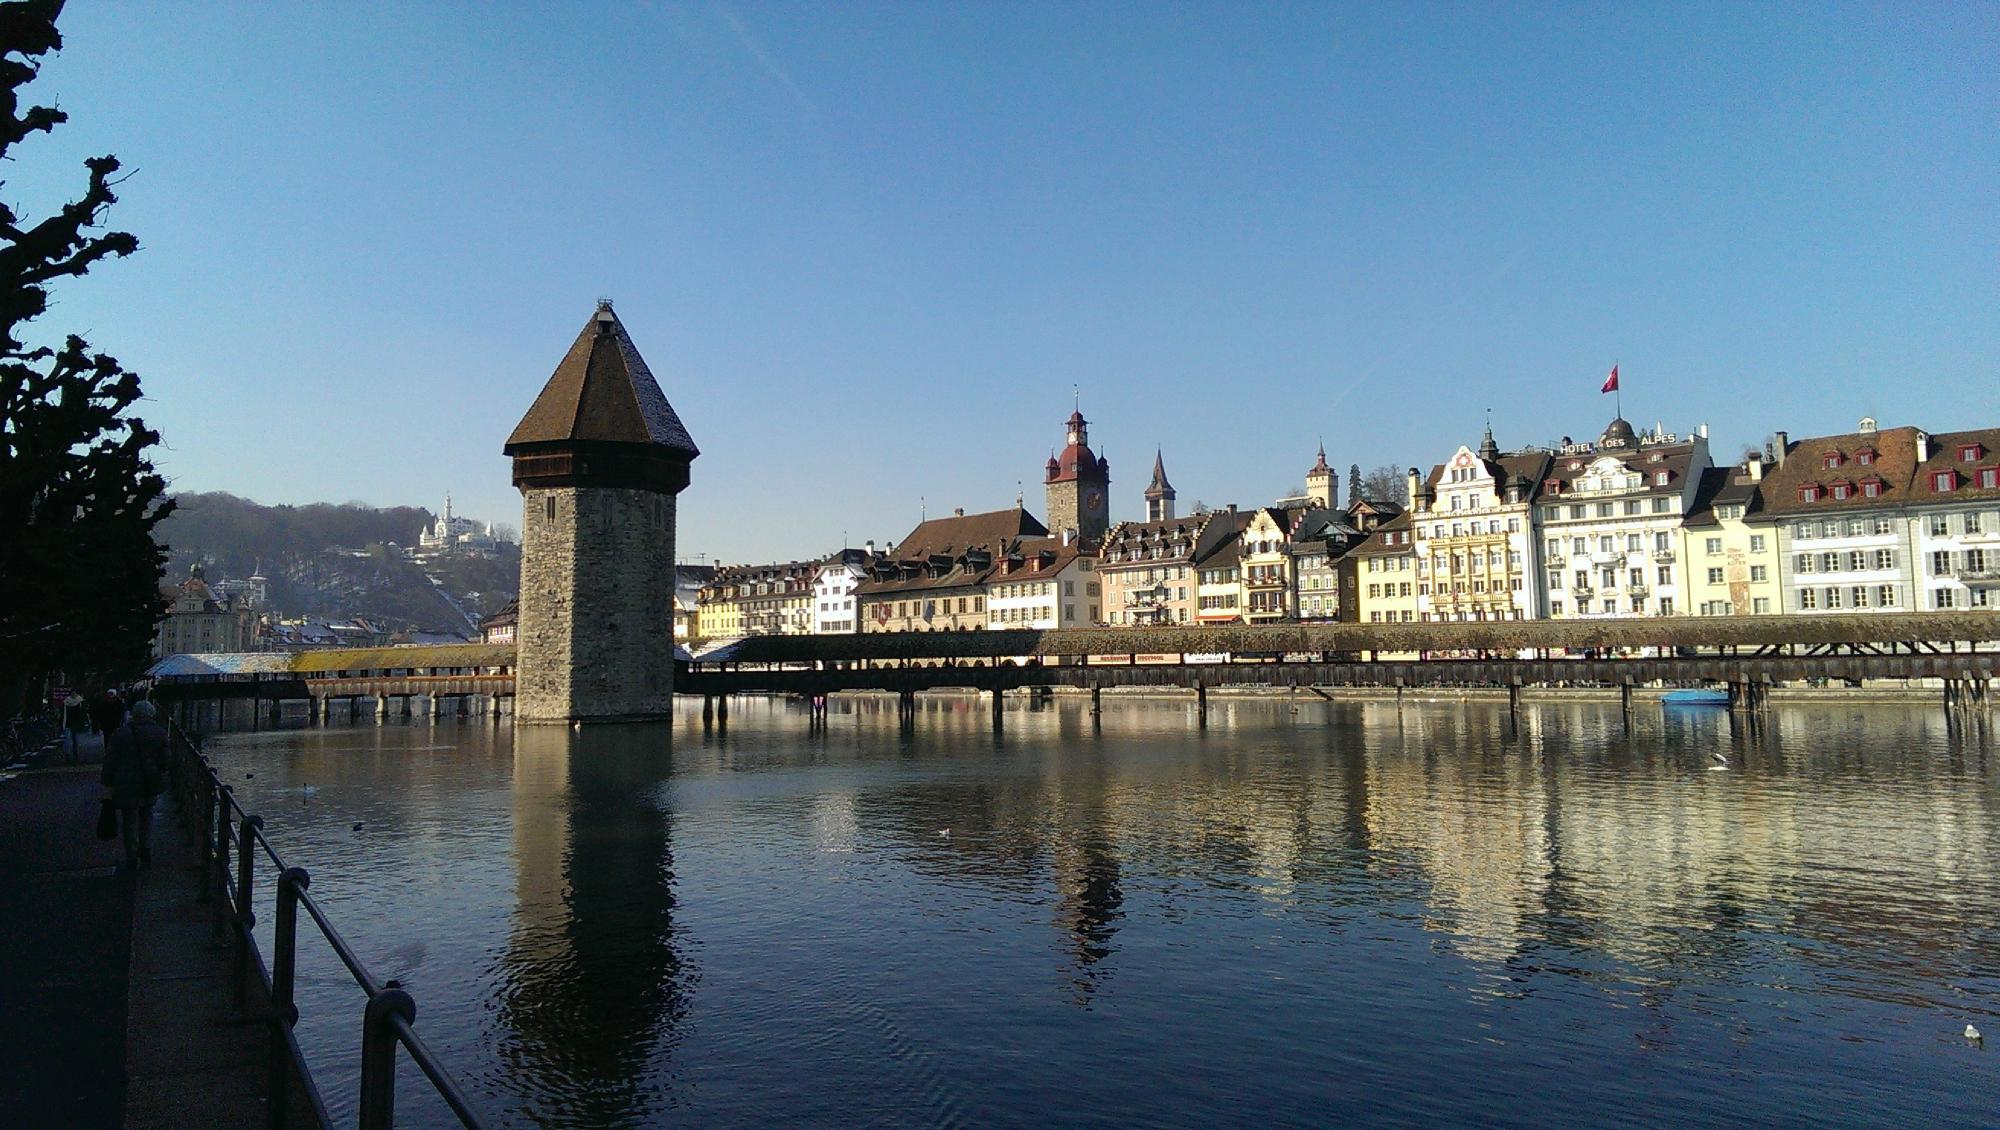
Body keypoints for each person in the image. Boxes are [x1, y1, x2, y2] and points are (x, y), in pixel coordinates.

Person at [101, 700, 170, 869]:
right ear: (152, 713)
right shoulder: (159, 733)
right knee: (147, 815)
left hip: (125, 782)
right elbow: (166, 760)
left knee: (129, 818)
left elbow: (110, 760)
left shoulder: (120, 733)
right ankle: (145, 847)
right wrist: (160, 772)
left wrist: (107, 782)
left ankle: (132, 853)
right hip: (149, 781)